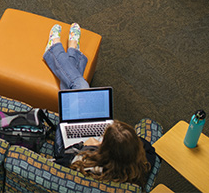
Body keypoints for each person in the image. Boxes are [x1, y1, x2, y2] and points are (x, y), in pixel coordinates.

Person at [43, 24, 155, 188]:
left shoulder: (82, 163)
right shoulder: (142, 167)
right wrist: (124, 141)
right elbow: (148, 147)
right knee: (78, 89)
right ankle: (70, 52)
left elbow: (62, 159)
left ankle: (57, 50)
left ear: (105, 149)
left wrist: (86, 145)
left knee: (79, 90)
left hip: (67, 146)